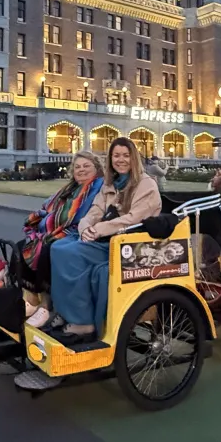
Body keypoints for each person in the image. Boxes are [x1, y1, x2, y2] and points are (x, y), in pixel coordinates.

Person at [0, 151, 105, 343]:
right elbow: (50, 207)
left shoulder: (98, 187)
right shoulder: (70, 188)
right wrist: (40, 218)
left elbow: (82, 215)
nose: (81, 170)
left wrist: (52, 227)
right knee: (21, 247)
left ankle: (46, 304)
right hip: (60, 230)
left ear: (97, 168)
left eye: (87, 166)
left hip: (77, 232)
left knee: (46, 250)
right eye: (77, 167)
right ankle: (30, 301)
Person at [47, 137, 162, 344]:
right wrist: (85, 228)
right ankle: (67, 310)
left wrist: (98, 230)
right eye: (116, 156)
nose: (121, 160)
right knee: (57, 246)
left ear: (133, 158)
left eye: (126, 155)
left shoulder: (146, 185)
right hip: (106, 238)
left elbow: (134, 218)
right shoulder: (110, 183)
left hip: (129, 244)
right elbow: (96, 210)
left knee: (69, 253)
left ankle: (83, 321)